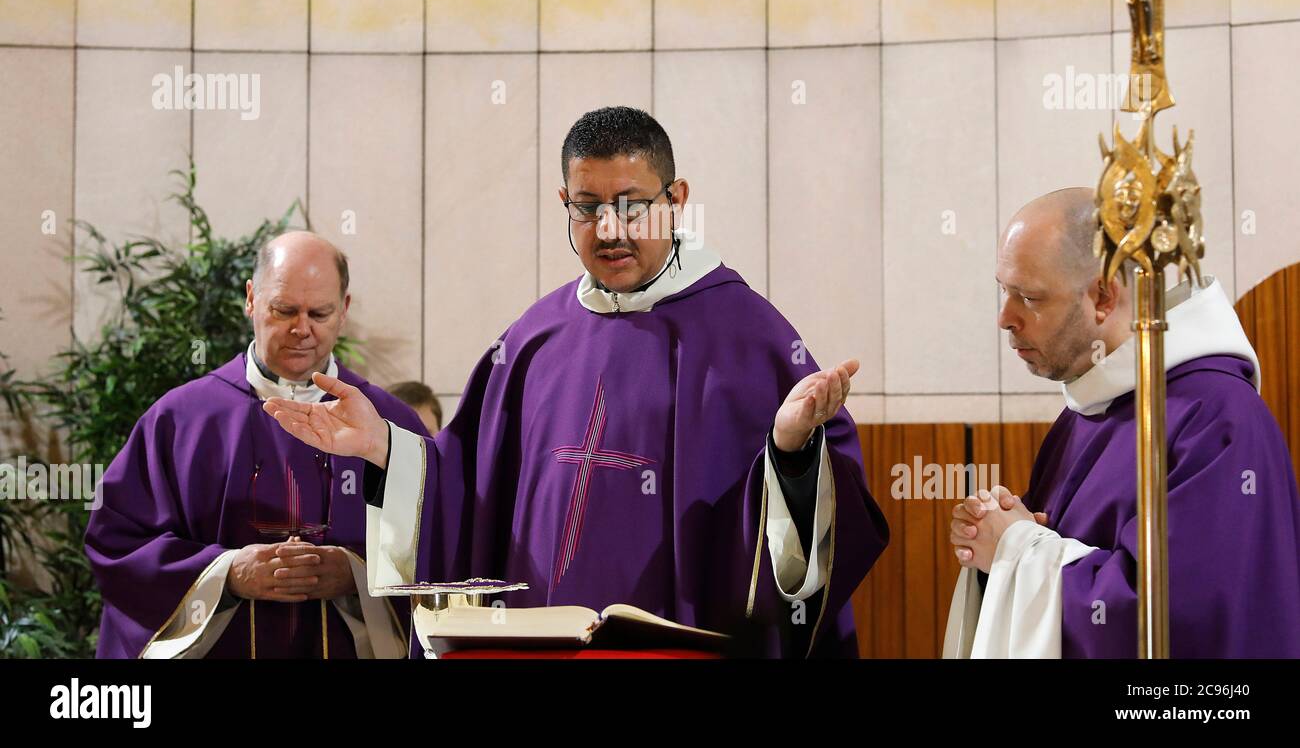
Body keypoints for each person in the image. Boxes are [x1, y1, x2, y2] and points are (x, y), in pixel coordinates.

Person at [265, 106, 889, 657]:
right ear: (564, 202)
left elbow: (818, 539)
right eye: (587, 208)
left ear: (676, 199)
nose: (610, 229)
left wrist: (789, 453)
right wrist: (385, 449)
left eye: (632, 205)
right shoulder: (535, 341)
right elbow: (468, 496)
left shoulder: (748, 336)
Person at [944, 188, 1300, 657]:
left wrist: (1016, 548)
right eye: (1003, 290)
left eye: (1028, 297)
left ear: (1104, 297)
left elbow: (1175, 621)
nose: (1005, 318)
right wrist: (994, 540)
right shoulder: (1092, 407)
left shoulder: (1216, 422)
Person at [86, 231, 428, 658]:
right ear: (251, 299)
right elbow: (118, 545)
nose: (302, 329)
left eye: (319, 313)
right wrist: (227, 573)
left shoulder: (389, 424)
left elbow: (447, 544)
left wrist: (357, 574)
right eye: (284, 310)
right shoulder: (180, 420)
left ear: (344, 310)